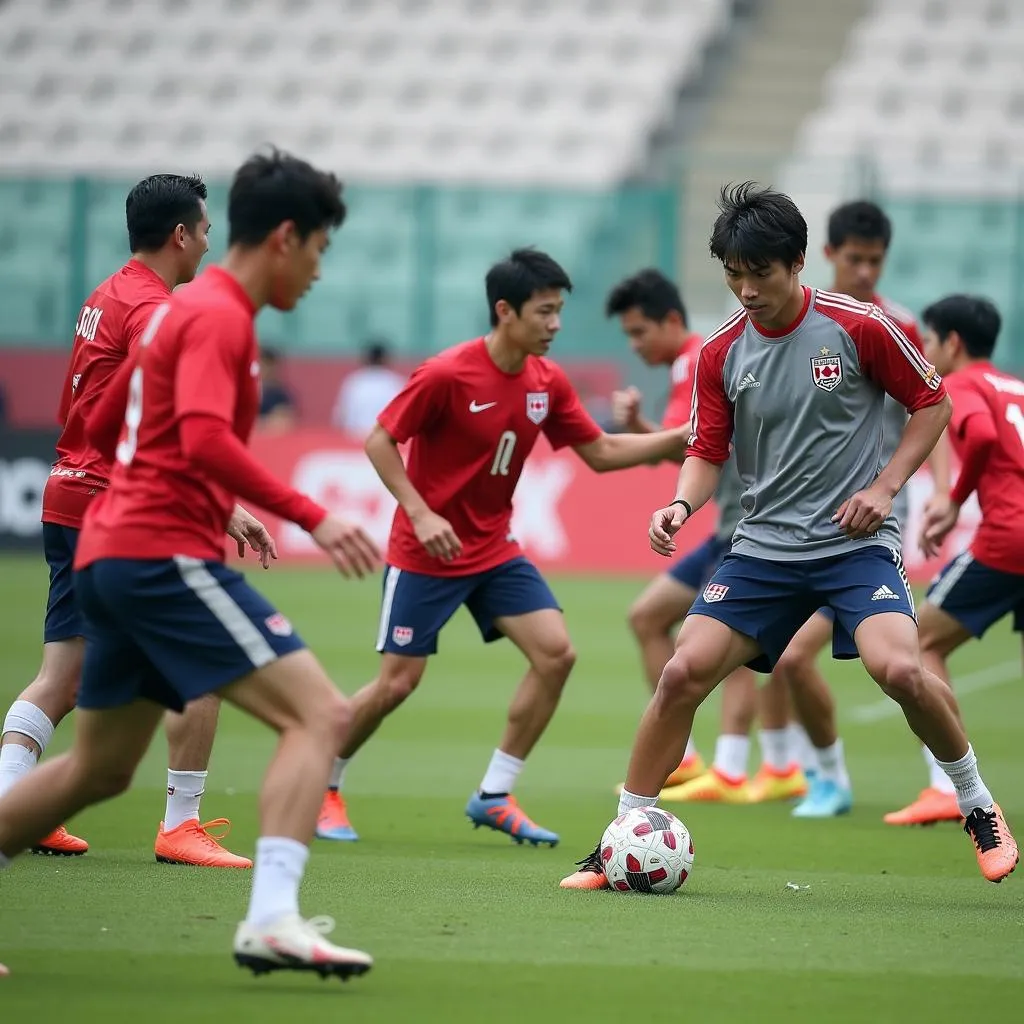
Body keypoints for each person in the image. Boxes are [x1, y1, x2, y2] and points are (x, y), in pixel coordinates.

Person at [561, 182, 1017, 890]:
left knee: (899, 670)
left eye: (760, 272)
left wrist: (885, 488)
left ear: (798, 262)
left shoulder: (860, 325)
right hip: (763, 548)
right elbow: (707, 450)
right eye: (732, 274)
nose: (745, 289)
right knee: (681, 672)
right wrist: (681, 508)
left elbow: (932, 402)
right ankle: (619, 837)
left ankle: (977, 803)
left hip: (854, 545)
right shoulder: (720, 354)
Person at [0, 148, 382, 978]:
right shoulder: (218, 319)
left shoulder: (176, 311)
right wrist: (312, 513)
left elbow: (95, 426)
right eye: (319, 251)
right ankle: (275, 919)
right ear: (285, 238)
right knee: (320, 715)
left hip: (111, 549)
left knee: (99, 769)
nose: (318, 274)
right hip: (155, 554)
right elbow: (204, 437)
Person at [315, 248, 689, 846]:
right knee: (397, 684)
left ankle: (494, 792)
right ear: (505, 311)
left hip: (493, 549)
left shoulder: (546, 380)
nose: (556, 324)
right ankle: (322, 785)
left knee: (556, 655)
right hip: (425, 552)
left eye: (560, 311)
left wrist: (679, 438)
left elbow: (599, 453)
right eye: (545, 311)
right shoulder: (446, 374)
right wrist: (419, 510)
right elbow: (380, 440)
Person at [0, 174, 250, 868]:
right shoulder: (154, 313)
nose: (208, 240)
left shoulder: (106, 294)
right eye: (203, 229)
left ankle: (19, 808)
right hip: (121, 505)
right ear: (180, 234)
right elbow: (165, 430)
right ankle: (180, 823)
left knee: (62, 677)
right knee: (204, 660)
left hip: (66, 491)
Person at [766, 199, 951, 819]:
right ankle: (828, 777)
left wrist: (941, 493)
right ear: (827, 256)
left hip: (869, 527)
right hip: (800, 527)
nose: (867, 271)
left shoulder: (894, 324)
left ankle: (947, 784)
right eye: (856, 259)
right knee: (788, 658)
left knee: (902, 663)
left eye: (876, 261)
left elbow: (932, 410)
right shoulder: (796, 323)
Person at [605, 269, 807, 804]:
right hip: (722, 525)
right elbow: (695, 444)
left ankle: (733, 770)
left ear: (672, 321)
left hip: (750, 527)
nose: (635, 344)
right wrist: (646, 430)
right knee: (647, 617)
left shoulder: (700, 358)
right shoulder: (691, 361)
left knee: (729, 644)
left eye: (639, 331)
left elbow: (689, 446)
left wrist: (629, 436)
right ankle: (684, 756)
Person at [886, 295, 1024, 827]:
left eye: (929, 340)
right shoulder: (1013, 385)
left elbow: (983, 436)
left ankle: (948, 786)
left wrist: (954, 499)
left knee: (920, 642)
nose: (924, 350)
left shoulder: (963, 385)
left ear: (953, 343)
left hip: (1009, 539)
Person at [331, 338, 405, 438]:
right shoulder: (396, 383)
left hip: (354, 440)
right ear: (386, 359)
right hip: (384, 442)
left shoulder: (354, 381)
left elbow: (340, 418)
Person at [257, 347, 298, 433]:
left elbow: (285, 421)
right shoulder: (243, 394)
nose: (265, 370)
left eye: (268, 365)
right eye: (261, 365)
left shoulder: (280, 394)